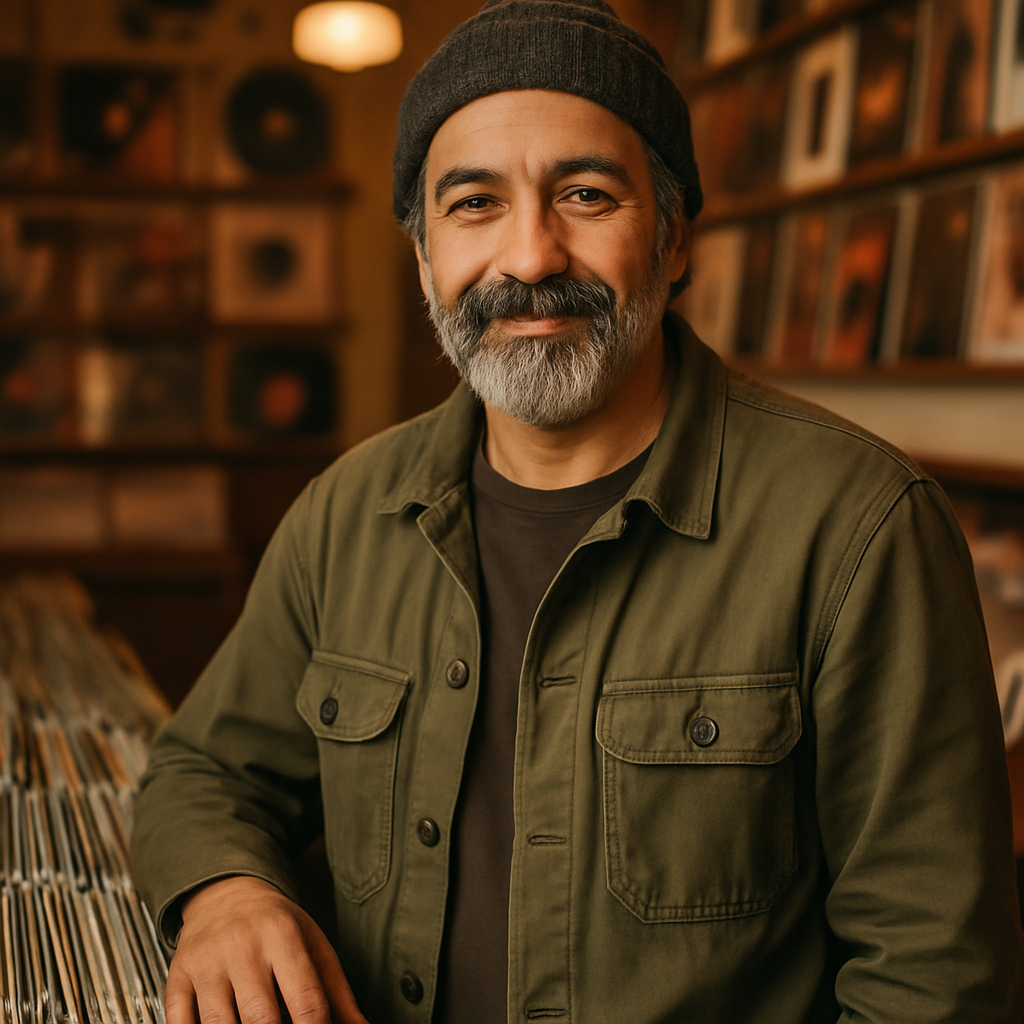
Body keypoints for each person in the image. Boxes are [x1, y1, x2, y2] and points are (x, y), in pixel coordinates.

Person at [130, 2, 1024, 1022]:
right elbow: (201, 769)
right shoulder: (343, 517)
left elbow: (936, 980)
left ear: (674, 235)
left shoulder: (860, 529)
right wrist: (226, 892)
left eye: (586, 194)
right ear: (424, 259)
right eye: (473, 205)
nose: (530, 258)